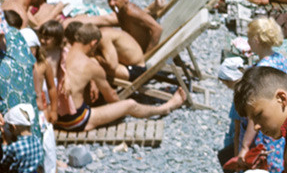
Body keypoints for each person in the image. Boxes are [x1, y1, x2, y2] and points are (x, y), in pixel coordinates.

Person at [50, 23, 186, 134]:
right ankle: (166, 107)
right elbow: (112, 97)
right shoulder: (91, 66)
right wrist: (117, 109)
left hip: (54, 114)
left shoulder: (59, 53)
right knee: (130, 105)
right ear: (93, 43)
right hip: (74, 121)